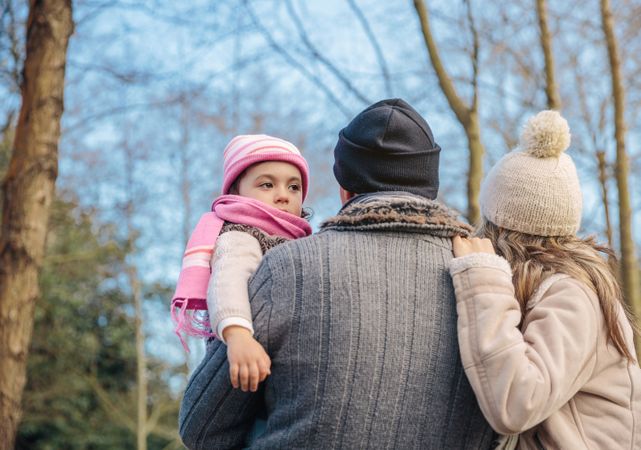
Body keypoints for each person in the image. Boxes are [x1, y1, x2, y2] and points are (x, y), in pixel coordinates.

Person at [178, 99, 494, 449]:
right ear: (430, 187)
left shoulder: (288, 268)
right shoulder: (487, 277)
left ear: (345, 189)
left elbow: (202, 427)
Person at [449, 110, 641, 449]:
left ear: (501, 227)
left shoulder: (574, 295)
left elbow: (516, 403)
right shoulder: (554, 288)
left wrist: (481, 280)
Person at [171, 134, 312, 391]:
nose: (283, 196)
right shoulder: (242, 235)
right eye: (267, 185)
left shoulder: (299, 240)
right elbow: (227, 281)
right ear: (237, 191)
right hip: (245, 355)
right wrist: (238, 336)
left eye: (294, 187)